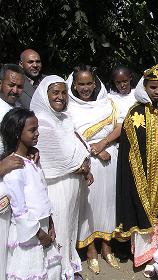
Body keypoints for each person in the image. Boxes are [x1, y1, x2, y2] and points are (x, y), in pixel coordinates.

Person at [115, 64, 158, 277]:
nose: (157, 91)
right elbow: (129, 148)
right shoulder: (135, 112)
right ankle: (144, 255)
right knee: (142, 210)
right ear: (145, 86)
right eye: (153, 87)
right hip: (141, 173)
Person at [30, 75, 93, 279]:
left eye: (64, 92)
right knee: (58, 227)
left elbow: (81, 146)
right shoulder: (41, 121)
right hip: (55, 186)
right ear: (44, 95)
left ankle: (70, 264)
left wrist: (83, 161)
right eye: (55, 93)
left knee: (70, 226)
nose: (61, 97)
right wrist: (81, 164)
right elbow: (59, 158)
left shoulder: (65, 118)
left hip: (72, 184)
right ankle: (59, 271)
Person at [66, 64, 121, 274]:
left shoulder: (108, 103)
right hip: (86, 163)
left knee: (108, 205)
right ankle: (90, 251)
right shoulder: (69, 107)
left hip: (110, 161)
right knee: (88, 208)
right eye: (81, 84)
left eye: (89, 83)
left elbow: (120, 126)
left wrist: (103, 143)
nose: (85, 88)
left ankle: (107, 247)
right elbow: (70, 135)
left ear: (95, 83)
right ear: (74, 85)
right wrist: (95, 150)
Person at [1, 107, 62, 279]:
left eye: (37, 128)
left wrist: (50, 223)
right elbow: (20, 210)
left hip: (42, 226)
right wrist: (39, 234)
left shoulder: (32, 159)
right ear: (17, 133)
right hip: (29, 233)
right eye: (32, 130)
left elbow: (42, 194)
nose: (37, 133)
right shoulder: (14, 168)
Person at [0, 63, 26, 278]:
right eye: (11, 85)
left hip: (12, 187)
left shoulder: (18, 109)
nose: (15, 90)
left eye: (19, 86)